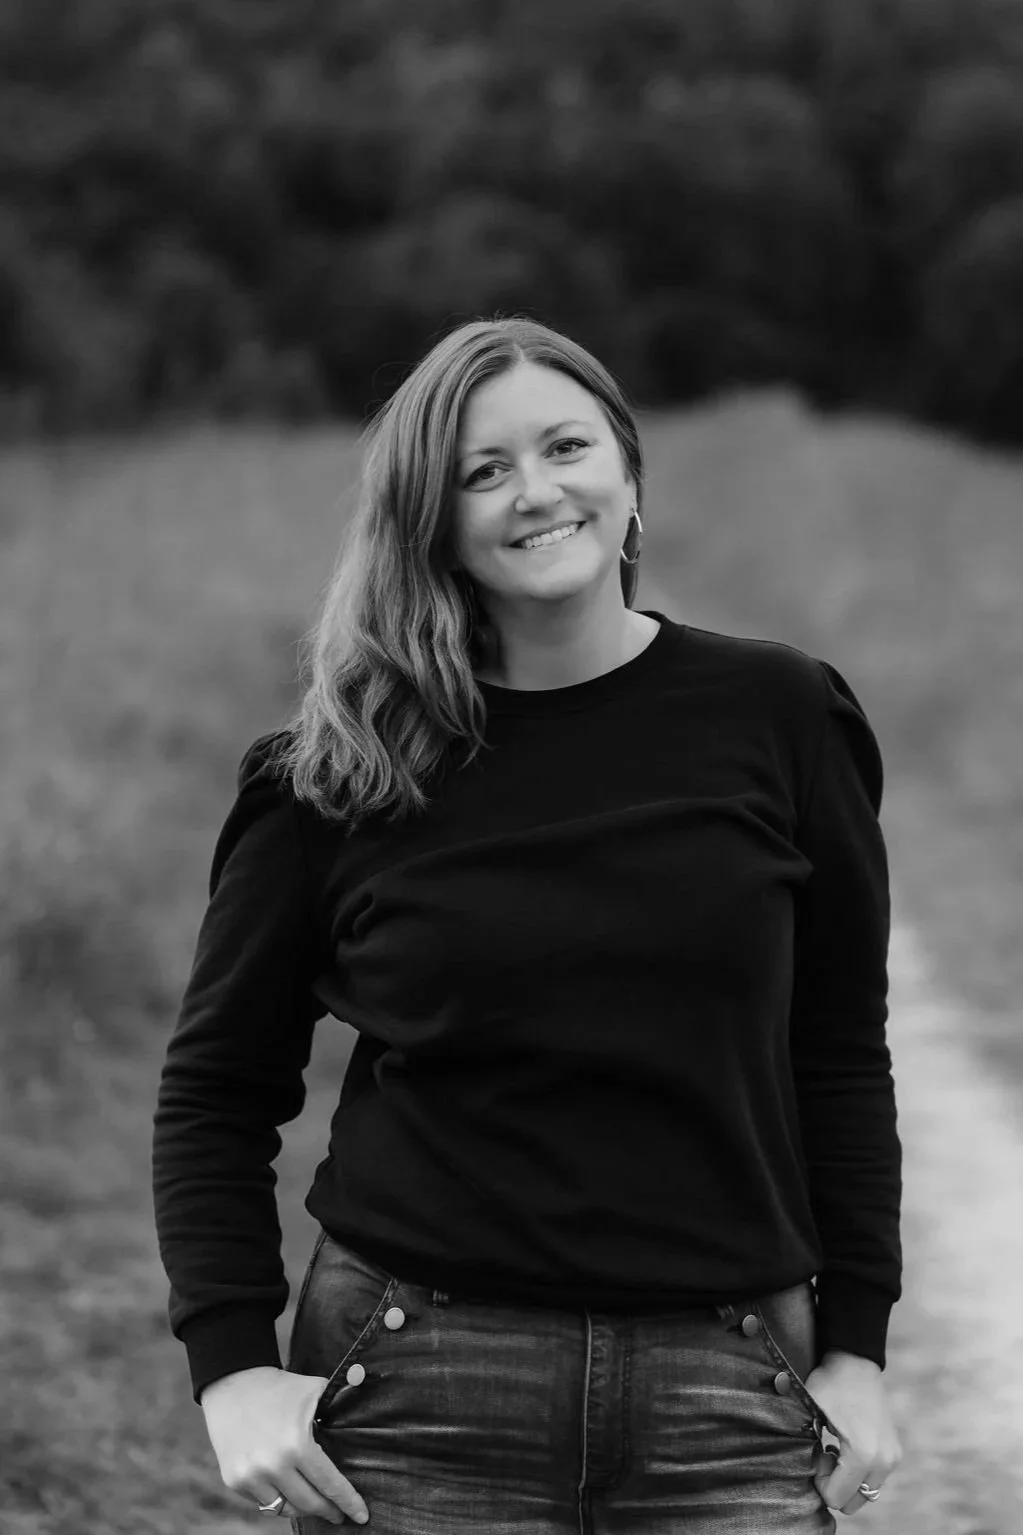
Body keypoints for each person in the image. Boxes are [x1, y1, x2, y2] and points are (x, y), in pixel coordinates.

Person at [152, 316, 903, 1534]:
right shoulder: (336, 772)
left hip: (732, 1382)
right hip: (417, 1382)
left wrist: (859, 1346)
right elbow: (215, 1088)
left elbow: (840, 1053)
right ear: (432, 522)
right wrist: (232, 1364)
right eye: (483, 470)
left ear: (628, 471)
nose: (535, 490)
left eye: (565, 446)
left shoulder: (782, 715)